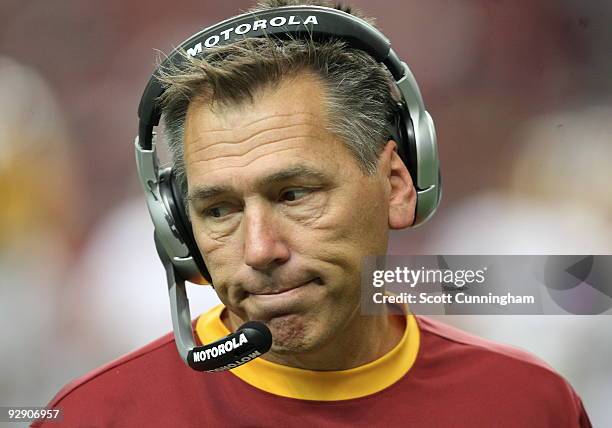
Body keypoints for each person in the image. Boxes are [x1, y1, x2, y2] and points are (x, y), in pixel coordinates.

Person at [35, 1, 591, 426]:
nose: (259, 249)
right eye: (220, 209)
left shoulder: (530, 404)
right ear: (177, 227)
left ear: (398, 186)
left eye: (295, 194)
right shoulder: (98, 416)